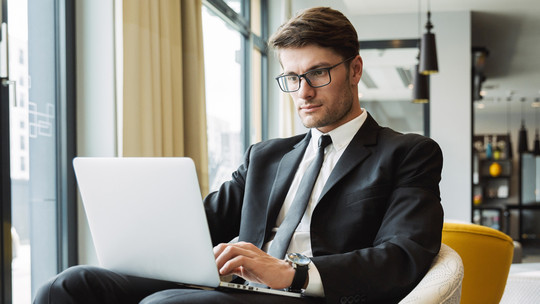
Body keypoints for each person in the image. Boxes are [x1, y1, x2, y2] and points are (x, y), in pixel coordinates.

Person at [34, 6, 443, 304]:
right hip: (236, 288)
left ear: (354, 70)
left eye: (318, 73)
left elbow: (403, 255)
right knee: (68, 286)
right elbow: (201, 226)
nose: (303, 92)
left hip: (311, 296)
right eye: (292, 77)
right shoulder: (266, 157)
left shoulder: (407, 153)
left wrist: (290, 273)